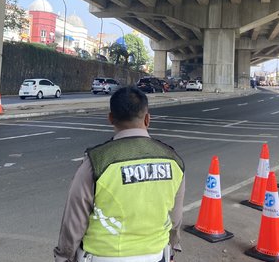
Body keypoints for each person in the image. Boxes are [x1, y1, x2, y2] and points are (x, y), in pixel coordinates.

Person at [54, 87, 186, 262]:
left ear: (111, 119)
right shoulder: (173, 160)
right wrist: (173, 246)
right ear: (147, 119)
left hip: (103, 256)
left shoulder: (96, 162)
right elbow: (175, 219)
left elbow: (74, 221)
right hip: (156, 255)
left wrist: (63, 257)